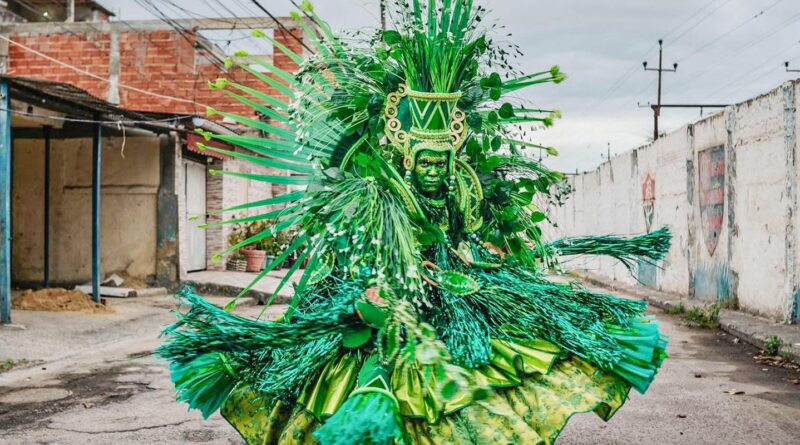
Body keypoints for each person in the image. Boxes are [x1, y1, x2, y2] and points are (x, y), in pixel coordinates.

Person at [159, 2, 671, 444]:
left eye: (441, 163)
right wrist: (380, 291)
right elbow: (360, 253)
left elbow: (464, 238)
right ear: (406, 158)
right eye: (425, 162)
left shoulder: (463, 189)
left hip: (450, 294)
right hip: (383, 292)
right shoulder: (377, 195)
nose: (433, 171)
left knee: (482, 382)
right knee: (365, 376)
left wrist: (479, 257)